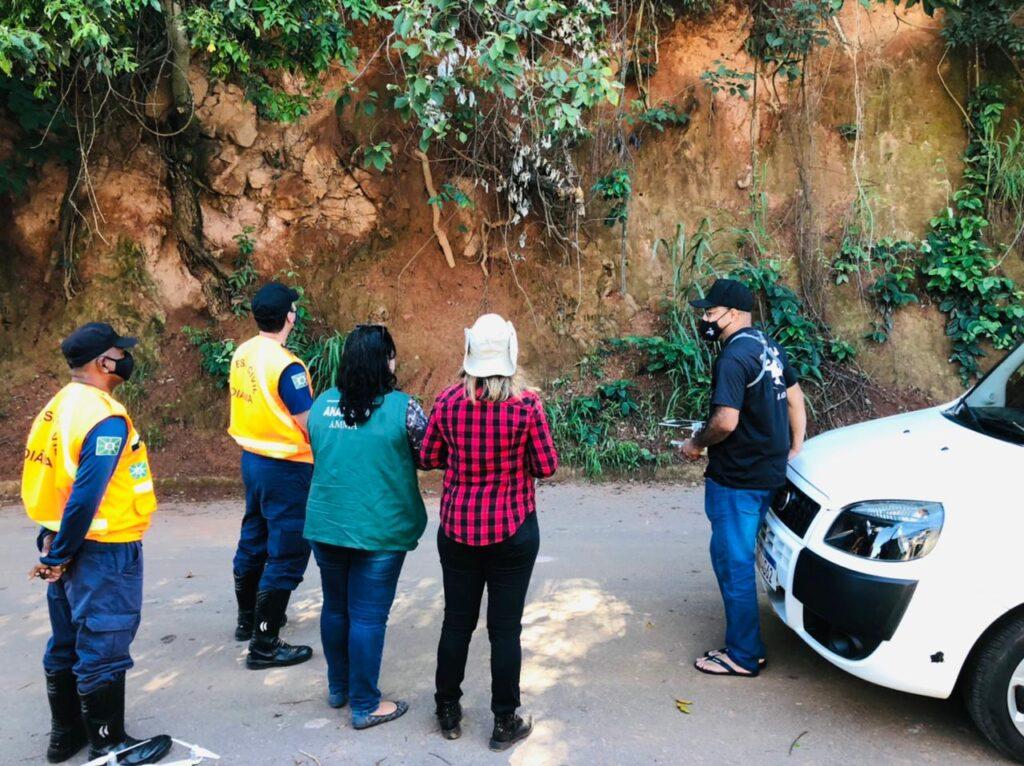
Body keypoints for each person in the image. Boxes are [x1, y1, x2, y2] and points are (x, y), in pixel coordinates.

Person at [23, 322, 172, 765]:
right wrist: (62, 553)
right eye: (119, 352)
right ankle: (109, 745)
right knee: (103, 644)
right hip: (102, 548)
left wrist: (54, 548)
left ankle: (65, 736)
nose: (125, 358)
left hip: (65, 541)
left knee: (67, 640)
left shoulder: (58, 406)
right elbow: (87, 493)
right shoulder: (103, 418)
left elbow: (53, 479)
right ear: (103, 362)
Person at [420, 313, 559, 752]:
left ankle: (447, 711)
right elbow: (547, 466)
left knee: (456, 624)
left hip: (459, 528)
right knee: (505, 630)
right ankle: (504, 721)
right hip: (513, 530)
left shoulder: (447, 402)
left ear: (470, 357)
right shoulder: (527, 407)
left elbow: (427, 456)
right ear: (512, 356)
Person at [679, 278, 806, 678]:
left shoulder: (733, 357)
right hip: (768, 472)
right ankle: (745, 643)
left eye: (710, 313)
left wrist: (696, 443)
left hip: (736, 479)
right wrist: (795, 443)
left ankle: (744, 654)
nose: (705, 320)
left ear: (732, 314)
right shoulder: (767, 346)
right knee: (741, 557)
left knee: (733, 563)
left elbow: (726, 420)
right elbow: (796, 394)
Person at [303, 324, 428, 730]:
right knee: (368, 617)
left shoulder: (321, 405)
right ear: (383, 361)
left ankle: (339, 688)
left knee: (336, 608)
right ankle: (364, 704)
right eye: (391, 354)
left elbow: (319, 448)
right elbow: (427, 455)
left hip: (328, 525)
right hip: (381, 530)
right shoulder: (404, 409)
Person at [227, 282, 315, 669]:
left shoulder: (243, 352)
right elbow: (307, 423)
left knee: (254, 538)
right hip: (287, 466)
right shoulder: (287, 366)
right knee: (287, 552)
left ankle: (248, 621)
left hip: (253, 460)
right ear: (289, 317)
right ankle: (265, 642)